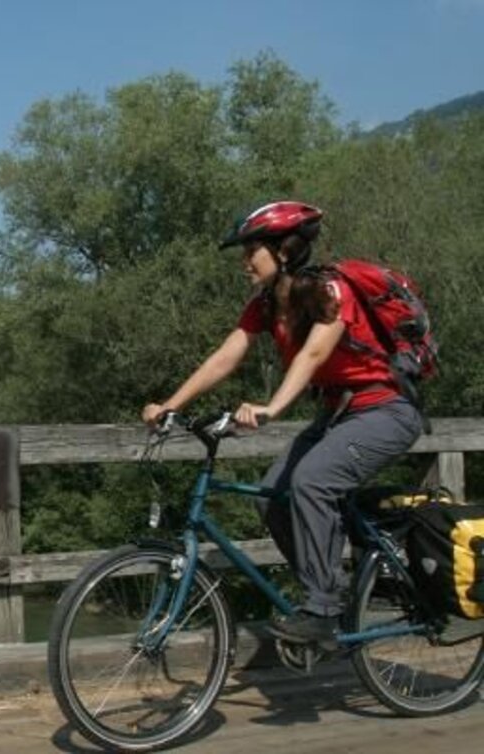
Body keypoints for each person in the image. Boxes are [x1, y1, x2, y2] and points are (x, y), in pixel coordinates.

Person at [141, 201, 424, 643]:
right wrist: (169, 404)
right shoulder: (267, 304)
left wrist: (272, 408)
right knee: (273, 498)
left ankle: (323, 609)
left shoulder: (331, 291)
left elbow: (313, 354)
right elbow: (228, 354)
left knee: (311, 481)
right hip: (339, 413)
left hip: (385, 410)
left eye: (251, 251)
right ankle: (334, 591)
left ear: (285, 251)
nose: (243, 262)